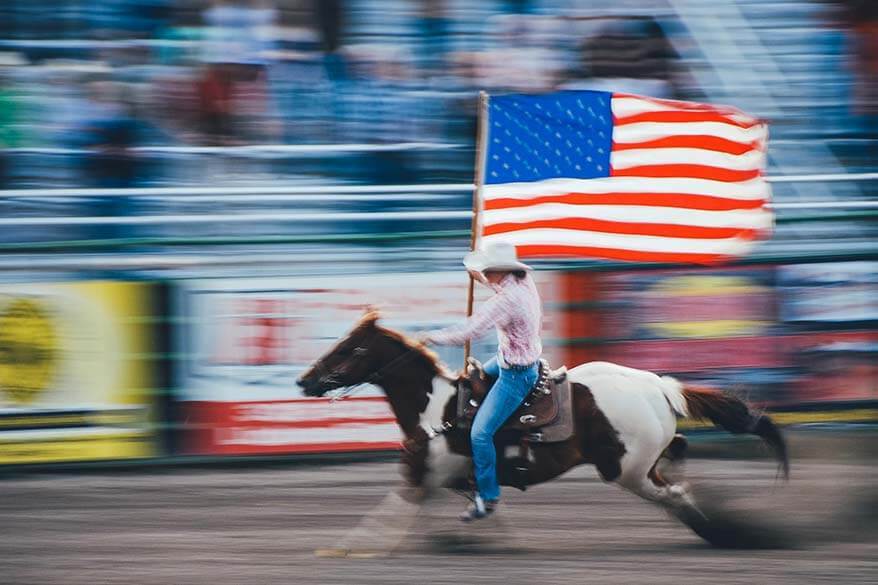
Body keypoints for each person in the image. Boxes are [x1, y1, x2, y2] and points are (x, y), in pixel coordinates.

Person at [420, 242, 543, 521]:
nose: (484, 275)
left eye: (487, 271)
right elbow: (496, 287)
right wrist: (476, 273)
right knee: (469, 386)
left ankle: (487, 497)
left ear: (498, 270)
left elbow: (470, 330)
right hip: (512, 360)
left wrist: (432, 336)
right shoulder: (522, 283)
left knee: (480, 433)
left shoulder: (506, 301)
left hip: (516, 375)